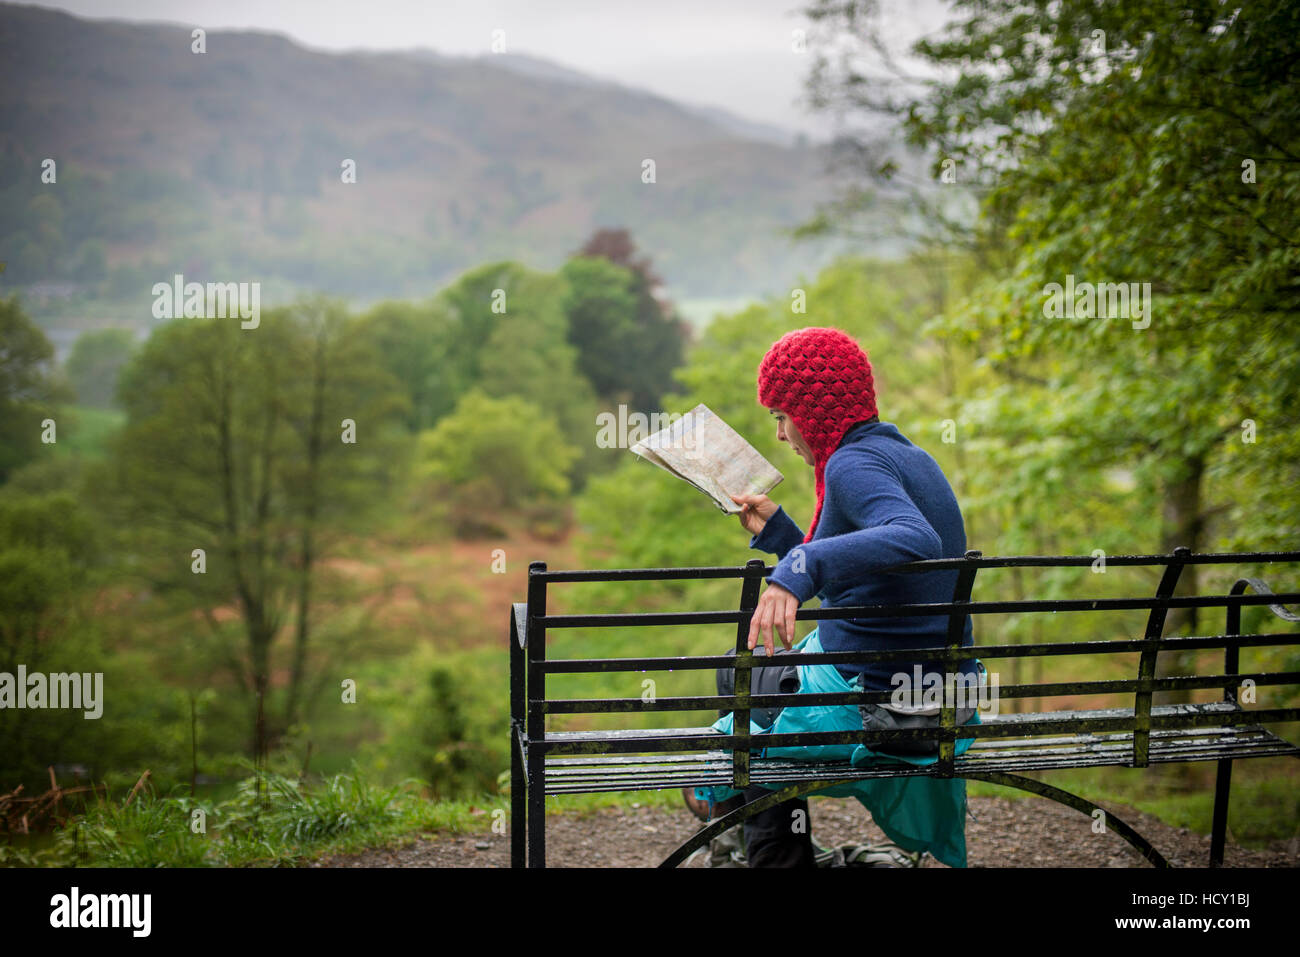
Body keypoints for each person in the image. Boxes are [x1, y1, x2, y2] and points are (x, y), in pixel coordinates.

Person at [685, 326, 981, 868]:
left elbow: (913, 536)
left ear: (814, 412)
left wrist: (798, 566)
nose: (780, 434)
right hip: (938, 694)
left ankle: (771, 854)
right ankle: (764, 844)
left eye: (781, 416)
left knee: (746, 684)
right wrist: (782, 538)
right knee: (752, 676)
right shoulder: (908, 456)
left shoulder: (852, 464)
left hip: (883, 707)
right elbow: (858, 579)